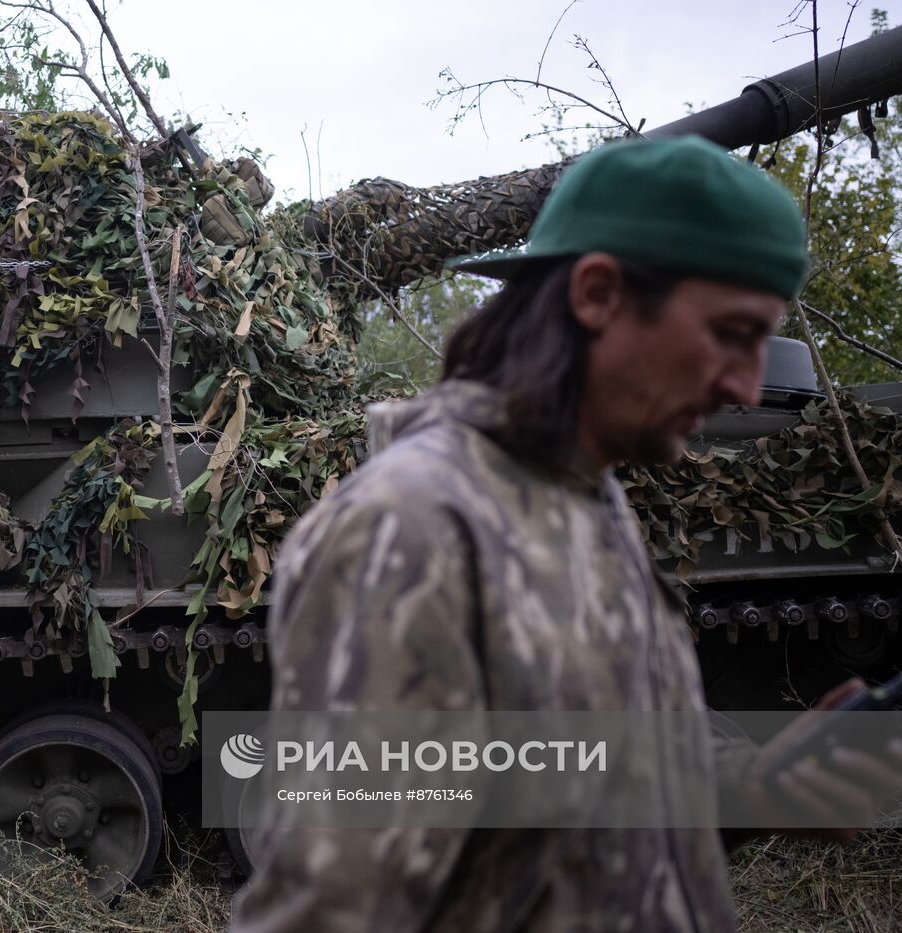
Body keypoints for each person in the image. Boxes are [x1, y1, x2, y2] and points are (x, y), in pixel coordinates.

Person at [228, 136, 902, 932]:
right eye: (729, 333)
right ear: (596, 294)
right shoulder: (413, 532)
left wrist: (751, 787)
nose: (748, 384)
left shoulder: (588, 500)